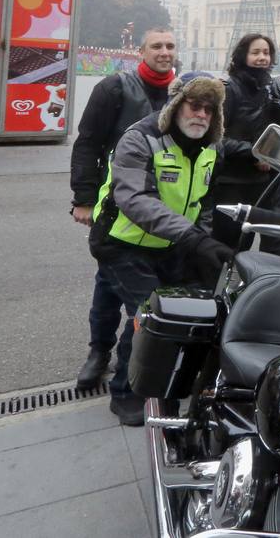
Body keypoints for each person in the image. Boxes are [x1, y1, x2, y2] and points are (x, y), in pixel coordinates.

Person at [90, 72, 235, 426]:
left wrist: (200, 245)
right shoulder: (140, 138)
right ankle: (127, 394)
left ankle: (151, 377)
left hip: (170, 244)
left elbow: (202, 201)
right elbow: (135, 199)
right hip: (121, 242)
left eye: (209, 109)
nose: (201, 114)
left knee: (175, 309)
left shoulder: (211, 146)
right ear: (176, 105)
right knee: (149, 315)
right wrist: (195, 239)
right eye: (194, 105)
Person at [69, 26, 177, 391]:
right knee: (107, 284)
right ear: (142, 51)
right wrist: (83, 198)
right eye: (157, 46)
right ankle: (99, 351)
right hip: (114, 203)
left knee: (145, 287)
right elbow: (88, 143)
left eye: (170, 46)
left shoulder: (182, 93)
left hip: (162, 207)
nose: (164, 52)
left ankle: (133, 360)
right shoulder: (114, 88)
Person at [213, 33, 276, 212]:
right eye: (255, 52)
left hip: (259, 179)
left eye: (266, 52)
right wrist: (255, 153)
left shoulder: (267, 89)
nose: (262, 57)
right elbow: (216, 138)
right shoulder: (229, 89)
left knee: (247, 237)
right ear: (243, 55)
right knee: (228, 236)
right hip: (230, 181)